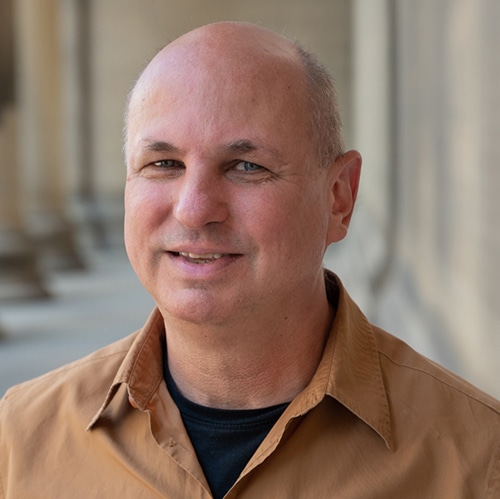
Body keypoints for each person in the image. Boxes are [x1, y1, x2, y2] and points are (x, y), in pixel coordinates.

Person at [1, 21, 499, 499]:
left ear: (338, 198)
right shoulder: (21, 441)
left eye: (246, 166)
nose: (194, 209)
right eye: (163, 164)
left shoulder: (479, 460)